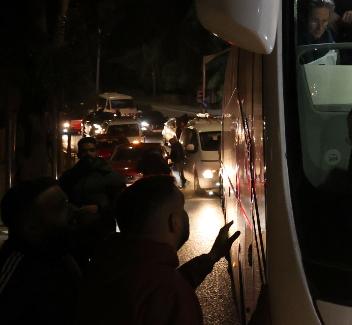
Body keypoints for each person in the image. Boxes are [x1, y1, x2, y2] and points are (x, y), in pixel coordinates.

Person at [76, 175, 240, 325]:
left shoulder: (106, 264)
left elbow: (152, 289)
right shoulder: (171, 295)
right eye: (182, 208)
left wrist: (211, 257)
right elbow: (163, 292)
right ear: (174, 221)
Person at [0, 177, 81, 325]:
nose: (73, 211)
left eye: (68, 204)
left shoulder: (60, 256)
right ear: (31, 227)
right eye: (60, 207)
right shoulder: (16, 272)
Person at [59, 136, 125, 264]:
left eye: (91, 150)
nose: (88, 154)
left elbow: (119, 203)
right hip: (77, 230)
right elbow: (61, 199)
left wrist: (99, 208)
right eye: (84, 151)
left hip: (102, 229)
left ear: (97, 152)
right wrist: (72, 209)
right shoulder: (70, 176)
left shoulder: (109, 175)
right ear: (79, 153)